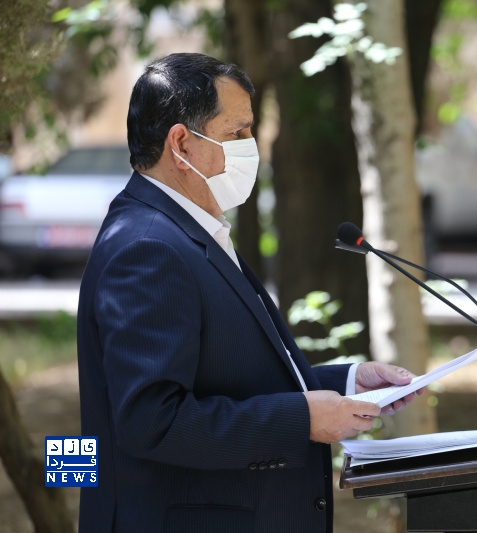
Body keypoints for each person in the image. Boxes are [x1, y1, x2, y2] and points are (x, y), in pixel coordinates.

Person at [77, 52, 419, 533]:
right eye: (236, 133)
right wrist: (302, 420)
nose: (250, 147)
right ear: (181, 144)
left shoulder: (187, 227)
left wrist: (344, 382)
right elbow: (151, 420)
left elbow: (224, 377)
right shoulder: (149, 247)